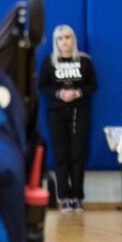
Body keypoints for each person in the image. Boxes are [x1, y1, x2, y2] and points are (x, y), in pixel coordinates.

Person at [38, 24, 97, 212]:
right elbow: (43, 86)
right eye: (60, 39)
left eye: (68, 37)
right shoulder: (49, 62)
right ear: (56, 42)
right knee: (61, 154)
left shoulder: (85, 61)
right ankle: (64, 197)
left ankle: (77, 197)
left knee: (78, 153)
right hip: (56, 113)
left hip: (80, 112)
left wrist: (78, 92)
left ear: (73, 40)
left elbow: (93, 85)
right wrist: (59, 94)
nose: (65, 42)